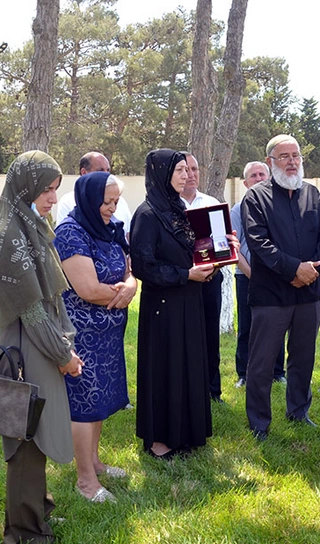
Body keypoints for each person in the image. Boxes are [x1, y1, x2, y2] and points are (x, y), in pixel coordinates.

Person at [0, 151, 83, 544]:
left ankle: (37, 508)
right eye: (46, 190)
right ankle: (24, 532)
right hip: (26, 350)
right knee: (25, 436)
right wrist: (63, 355)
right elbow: (31, 311)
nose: (53, 199)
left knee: (36, 430)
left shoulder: (30, 225)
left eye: (56, 189)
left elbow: (49, 300)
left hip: (40, 344)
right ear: (26, 187)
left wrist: (63, 343)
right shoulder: (11, 234)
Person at [242, 135, 320, 440]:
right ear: (270, 162)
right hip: (271, 296)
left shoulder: (312, 195)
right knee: (262, 362)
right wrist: (294, 269)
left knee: (303, 357)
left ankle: (298, 411)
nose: (292, 161)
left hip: (308, 294)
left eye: (296, 155)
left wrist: (312, 270)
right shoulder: (255, 198)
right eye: (284, 156)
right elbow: (259, 244)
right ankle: (259, 422)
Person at [54, 172, 137, 502]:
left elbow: (129, 269)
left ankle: (95, 462)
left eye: (116, 201)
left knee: (101, 398)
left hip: (110, 330)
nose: (113, 208)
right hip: (83, 332)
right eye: (107, 202)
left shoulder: (111, 226)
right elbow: (87, 289)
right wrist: (122, 295)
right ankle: (85, 480)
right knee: (85, 403)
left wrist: (130, 286)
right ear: (89, 200)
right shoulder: (70, 232)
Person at [130, 149, 216, 458]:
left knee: (187, 365)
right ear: (162, 174)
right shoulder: (147, 214)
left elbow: (193, 252)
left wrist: (216, 258)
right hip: (163, 307)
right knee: (165, 368)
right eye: (179, 170)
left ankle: (185, 434)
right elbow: (144, 266)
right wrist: (185, 275)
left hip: (189, 301)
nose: (186, 175)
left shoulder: (178, 209)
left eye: (188, 170)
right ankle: (158, 441)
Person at [230, 161, 287, 388]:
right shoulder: (237, 210)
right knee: (247, 325)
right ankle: (244, 373)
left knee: (277, 324)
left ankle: (277, 372)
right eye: (253, 175)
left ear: (269, 178)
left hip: (276, 277)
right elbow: (233, 248)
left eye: (262, 174)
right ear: (245, 183)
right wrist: (252, 274)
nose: (258, 178)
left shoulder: (279, 208)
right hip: (247, 276)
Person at [180, 152, 227, 403]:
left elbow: (221, 245)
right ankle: (187, 389)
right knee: (183, 336)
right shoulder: (167, 206)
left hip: (210, 279)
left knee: (210, 334)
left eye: (195, 169)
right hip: (181, 282)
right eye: (185, 170)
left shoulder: (211, 203)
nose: (191, 175)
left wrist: (216, 266)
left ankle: (213, 390)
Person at [55, 151, 133, 235]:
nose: (106, 175)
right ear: (84, 173)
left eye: (108, 170)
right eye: (100, 170)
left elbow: (127, 235)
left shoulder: (121, 202)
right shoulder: (68, 203)